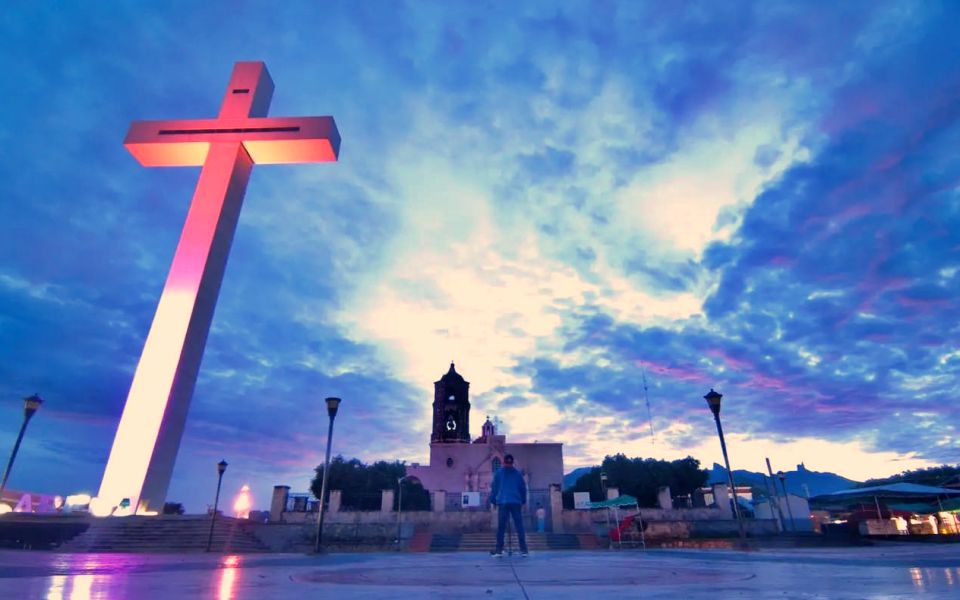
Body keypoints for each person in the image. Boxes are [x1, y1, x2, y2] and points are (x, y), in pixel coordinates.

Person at [489, 454, 528, 557]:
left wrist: (493, 501)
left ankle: (499, 550)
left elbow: (494, 489)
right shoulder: (518, 474)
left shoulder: (498, 474)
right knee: (519, 526)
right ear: (512, 462)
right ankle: (524, 550)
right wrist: (523, 501)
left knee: (501, 527)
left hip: (503, 502)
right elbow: (523, 489)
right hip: (516, 502)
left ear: (503, 462)